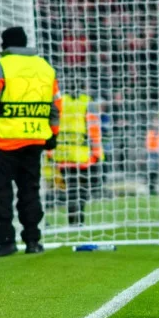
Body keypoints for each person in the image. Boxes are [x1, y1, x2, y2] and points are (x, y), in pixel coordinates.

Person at [0, 26, 61, 258]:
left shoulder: (1, 65)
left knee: (1, 192)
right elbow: (56, 105)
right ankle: (32, 240)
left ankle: (5, 240)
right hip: (34, 139)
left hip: (5, 140)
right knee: (30, 190)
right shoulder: (45, 67)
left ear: (5, 44)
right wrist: (53, 133)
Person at [50, 89, 103, 226]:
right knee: (81, 190)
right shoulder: (87, 102)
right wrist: (97, 152)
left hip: (62, 154)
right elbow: (94, 129)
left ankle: (73, 221)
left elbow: (52, 123)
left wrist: (51, 151)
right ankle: (78, 221)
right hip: (82, 155)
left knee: (71, 189)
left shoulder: (59, 101)